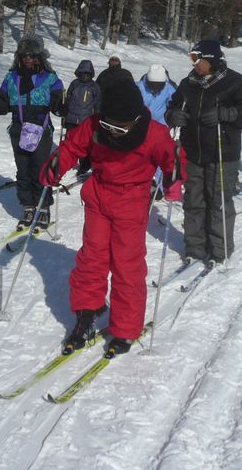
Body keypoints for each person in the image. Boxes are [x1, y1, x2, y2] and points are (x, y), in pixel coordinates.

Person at [40, 73, 176, 358]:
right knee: (92, 258)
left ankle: (126, 328)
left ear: (135, 119)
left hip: (132, 200)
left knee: (127, 265)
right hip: (99, 196)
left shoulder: (153, 133)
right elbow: (72, 147)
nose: (113, 132)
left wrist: (173, 178)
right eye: (109, 125)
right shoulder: (94, 125)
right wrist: (56, 165)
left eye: (121, 128)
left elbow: (172, 158)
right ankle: (87, 314)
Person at [165, 39, 242, 266]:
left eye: (196, 58)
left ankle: (220, 249)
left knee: (218, 201)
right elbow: (173, 106)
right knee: (193, 201)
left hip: (223, 152)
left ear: (210, 59)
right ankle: (195, 248)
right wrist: (173, 116)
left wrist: (227, 114)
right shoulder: (187, 83)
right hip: (193, 152)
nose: (193, 64)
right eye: (191, 58)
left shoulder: (235, 82)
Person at [0, 35, 64, 229]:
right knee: (23, 170)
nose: (28, 59)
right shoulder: (11, 77)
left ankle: (43, 208)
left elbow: (58, 102)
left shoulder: (50, 78)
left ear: (40, 57)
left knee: (39, 169)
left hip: (41, 130)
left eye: (32, 55)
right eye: (24, 55)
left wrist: (60, 108)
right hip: (19, 130)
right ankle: (28, 206)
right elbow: (4, 104)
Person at [61, 59, 102, 174]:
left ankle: (85, 165)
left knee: (84, 144)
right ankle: (66, 162)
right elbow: (68, 98)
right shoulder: (75, 84)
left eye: (88, 74)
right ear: (79, 73)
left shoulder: (94, 87)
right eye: (83, 73)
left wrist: (97, 118)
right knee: (69, 141)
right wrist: (64, 110)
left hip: (86, 119)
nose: (85, 76)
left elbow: (98, 103)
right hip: (72, 118)